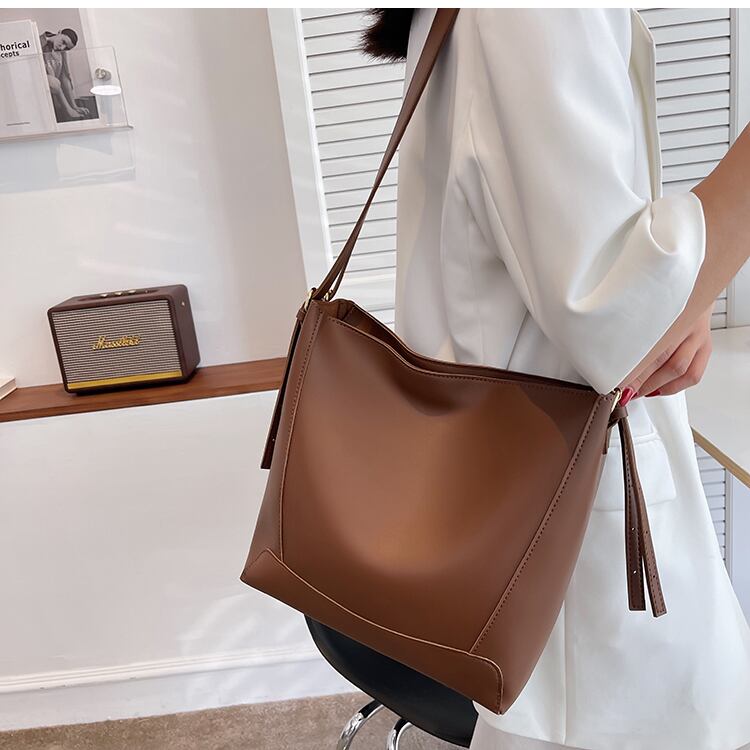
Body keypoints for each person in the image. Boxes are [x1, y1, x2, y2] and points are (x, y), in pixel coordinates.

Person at [363, 8, 750, 750]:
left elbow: (598, 287)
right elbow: (620, 320)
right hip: (565, 538)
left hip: (523, 504)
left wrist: (684, 295)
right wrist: (674, 292)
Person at [39, 28, 90, 122]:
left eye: (66, 48)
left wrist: (74, 106)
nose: (62, 48)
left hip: (52, 93)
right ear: (59, 32)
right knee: (53, 82)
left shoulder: (61, 52)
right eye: (63, 42)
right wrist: (69, 109)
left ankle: (70, 109)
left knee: (56, 81)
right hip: (38, 87)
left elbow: (64, 77)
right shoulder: (38, 42)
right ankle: (68, 110)